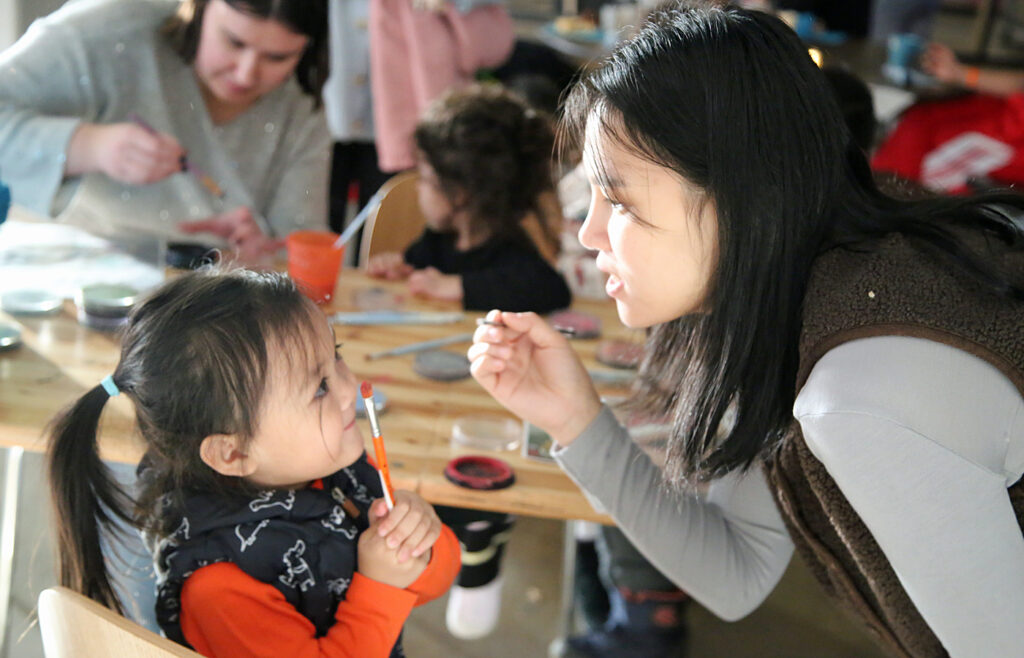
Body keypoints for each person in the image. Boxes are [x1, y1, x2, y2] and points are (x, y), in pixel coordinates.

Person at [469, 5, 1024, 657]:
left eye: (618, 201)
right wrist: (575, 420)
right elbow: (739, 572)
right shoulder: (811, 287)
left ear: (739, 196)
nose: (588, 234)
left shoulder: (859, 399)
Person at [47, 268, 461, 656]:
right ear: (234, 453)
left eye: (335, 355)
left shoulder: (326, 466)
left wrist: (420, 538)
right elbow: (389, 593)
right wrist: (380, 586)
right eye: (319, 387)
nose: (349, 387)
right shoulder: (219, 587)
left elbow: (435, 578)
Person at [0, 0, 332, 263]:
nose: (246, 74)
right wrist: (91, 146)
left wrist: (262, 251)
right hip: (63, 274)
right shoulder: (107, 32)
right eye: (234, 42)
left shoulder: (303, 102)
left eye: (277, 58)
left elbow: (301, 242)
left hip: (205, 301)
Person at [367, 83, 572, 314]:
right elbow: (416, 270)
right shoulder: (437, 240)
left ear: (459, 193)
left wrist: (458, 286)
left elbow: (553, 290)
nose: (418, 188)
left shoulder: (509, 246)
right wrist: (399, 268)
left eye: (425, 179)